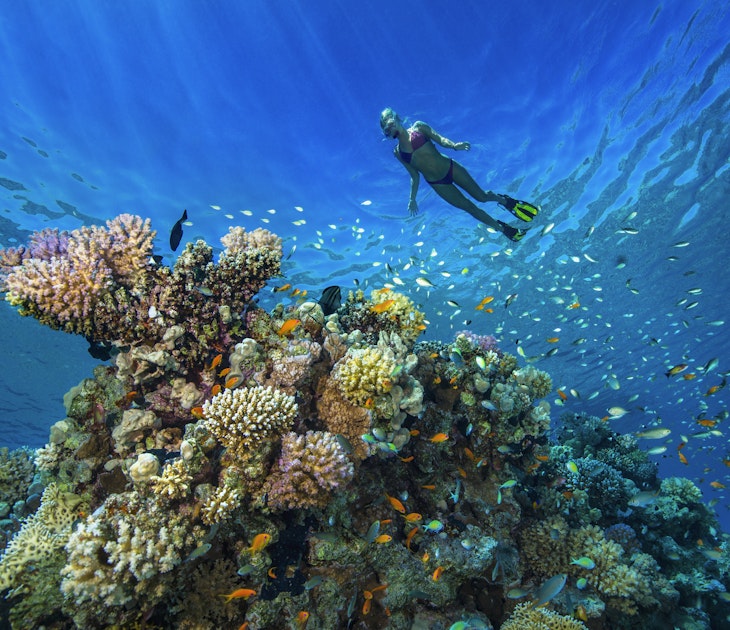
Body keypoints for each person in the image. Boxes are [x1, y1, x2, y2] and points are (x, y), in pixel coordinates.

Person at [380, 108, 539, 242]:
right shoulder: (398, 153)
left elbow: (441, 139)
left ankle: (505, 201)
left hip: (450, 167)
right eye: (386, 125)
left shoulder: (418, 128)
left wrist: (455, 146)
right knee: (469, 208)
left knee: (481, 197)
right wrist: (412, 198)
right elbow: (414, 176)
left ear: (396, 117)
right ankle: (502, 228)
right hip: (438, 184)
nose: (390, 125)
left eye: (390, 120)